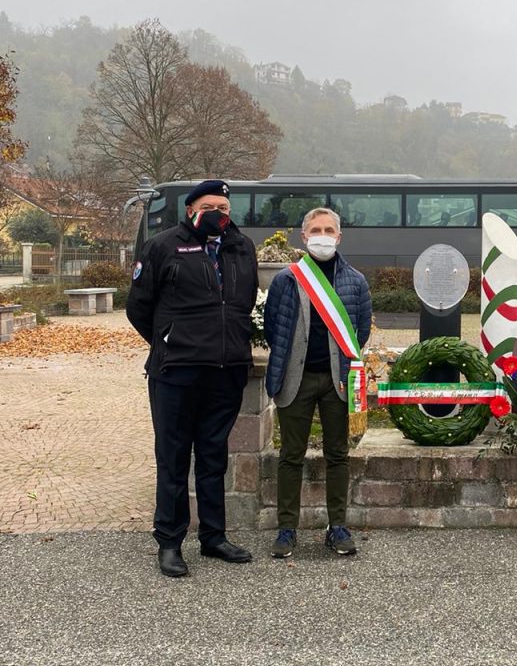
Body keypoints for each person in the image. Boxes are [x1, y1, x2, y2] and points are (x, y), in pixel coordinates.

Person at [126, 179, 259, 578]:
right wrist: (169, 342)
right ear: (190, 210)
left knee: (214, 455)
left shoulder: (241, 247)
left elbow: (245, 302)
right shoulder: (163, 246)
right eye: (211, 205)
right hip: (177, 372)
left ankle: (214, 537)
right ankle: (170, 542)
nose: (221, 211)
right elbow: (138, 307)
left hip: (227, 370)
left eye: (225, 205)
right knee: (173, 457)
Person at [261, 207, 372, 559]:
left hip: (338, 382)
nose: (321, 235)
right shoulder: (286, 279)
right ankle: (286, 530)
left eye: (328, 230)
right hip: (296, 379)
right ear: (304, 236)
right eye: (315, 230)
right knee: (290, 456)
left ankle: (337, 526)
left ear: (338, 237)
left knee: (338, 455)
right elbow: (272, 328)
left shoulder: (355, 280)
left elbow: (362, 330)